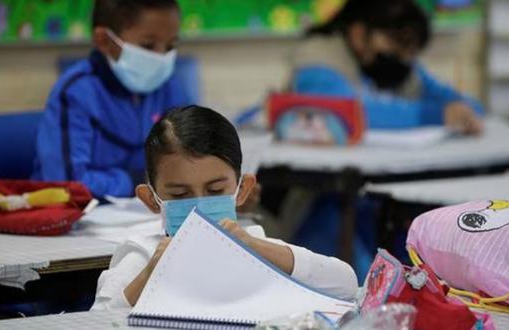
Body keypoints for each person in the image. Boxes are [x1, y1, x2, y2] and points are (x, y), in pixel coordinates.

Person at [91, 106, 358, 310]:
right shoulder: (141, 255)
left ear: (242, 190)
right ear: (151, 199)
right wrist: (151, 273)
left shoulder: (255, 244)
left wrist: (254, 247)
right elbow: (96, 319)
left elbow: (345, 284)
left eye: (215, 191)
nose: (198, 206)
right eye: (180, 194)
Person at [33, 0, 195, 198]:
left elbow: (192, 157)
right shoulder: (76, 92)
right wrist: (134, 182)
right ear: (103, 40)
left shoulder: (169, 85)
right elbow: (67, 183)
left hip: (149, 213)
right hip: (82, 219)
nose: (162, 57)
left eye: (170, 45)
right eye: (148, 45)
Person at [291, 0, 484, 134]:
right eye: (396, 43)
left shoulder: (398, 66)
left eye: (409, 51)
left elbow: (452, 100)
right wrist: (435, 114)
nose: (403, 58)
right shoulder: (317, 57)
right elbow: (347, 113)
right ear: (359, 33)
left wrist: (464, 111)